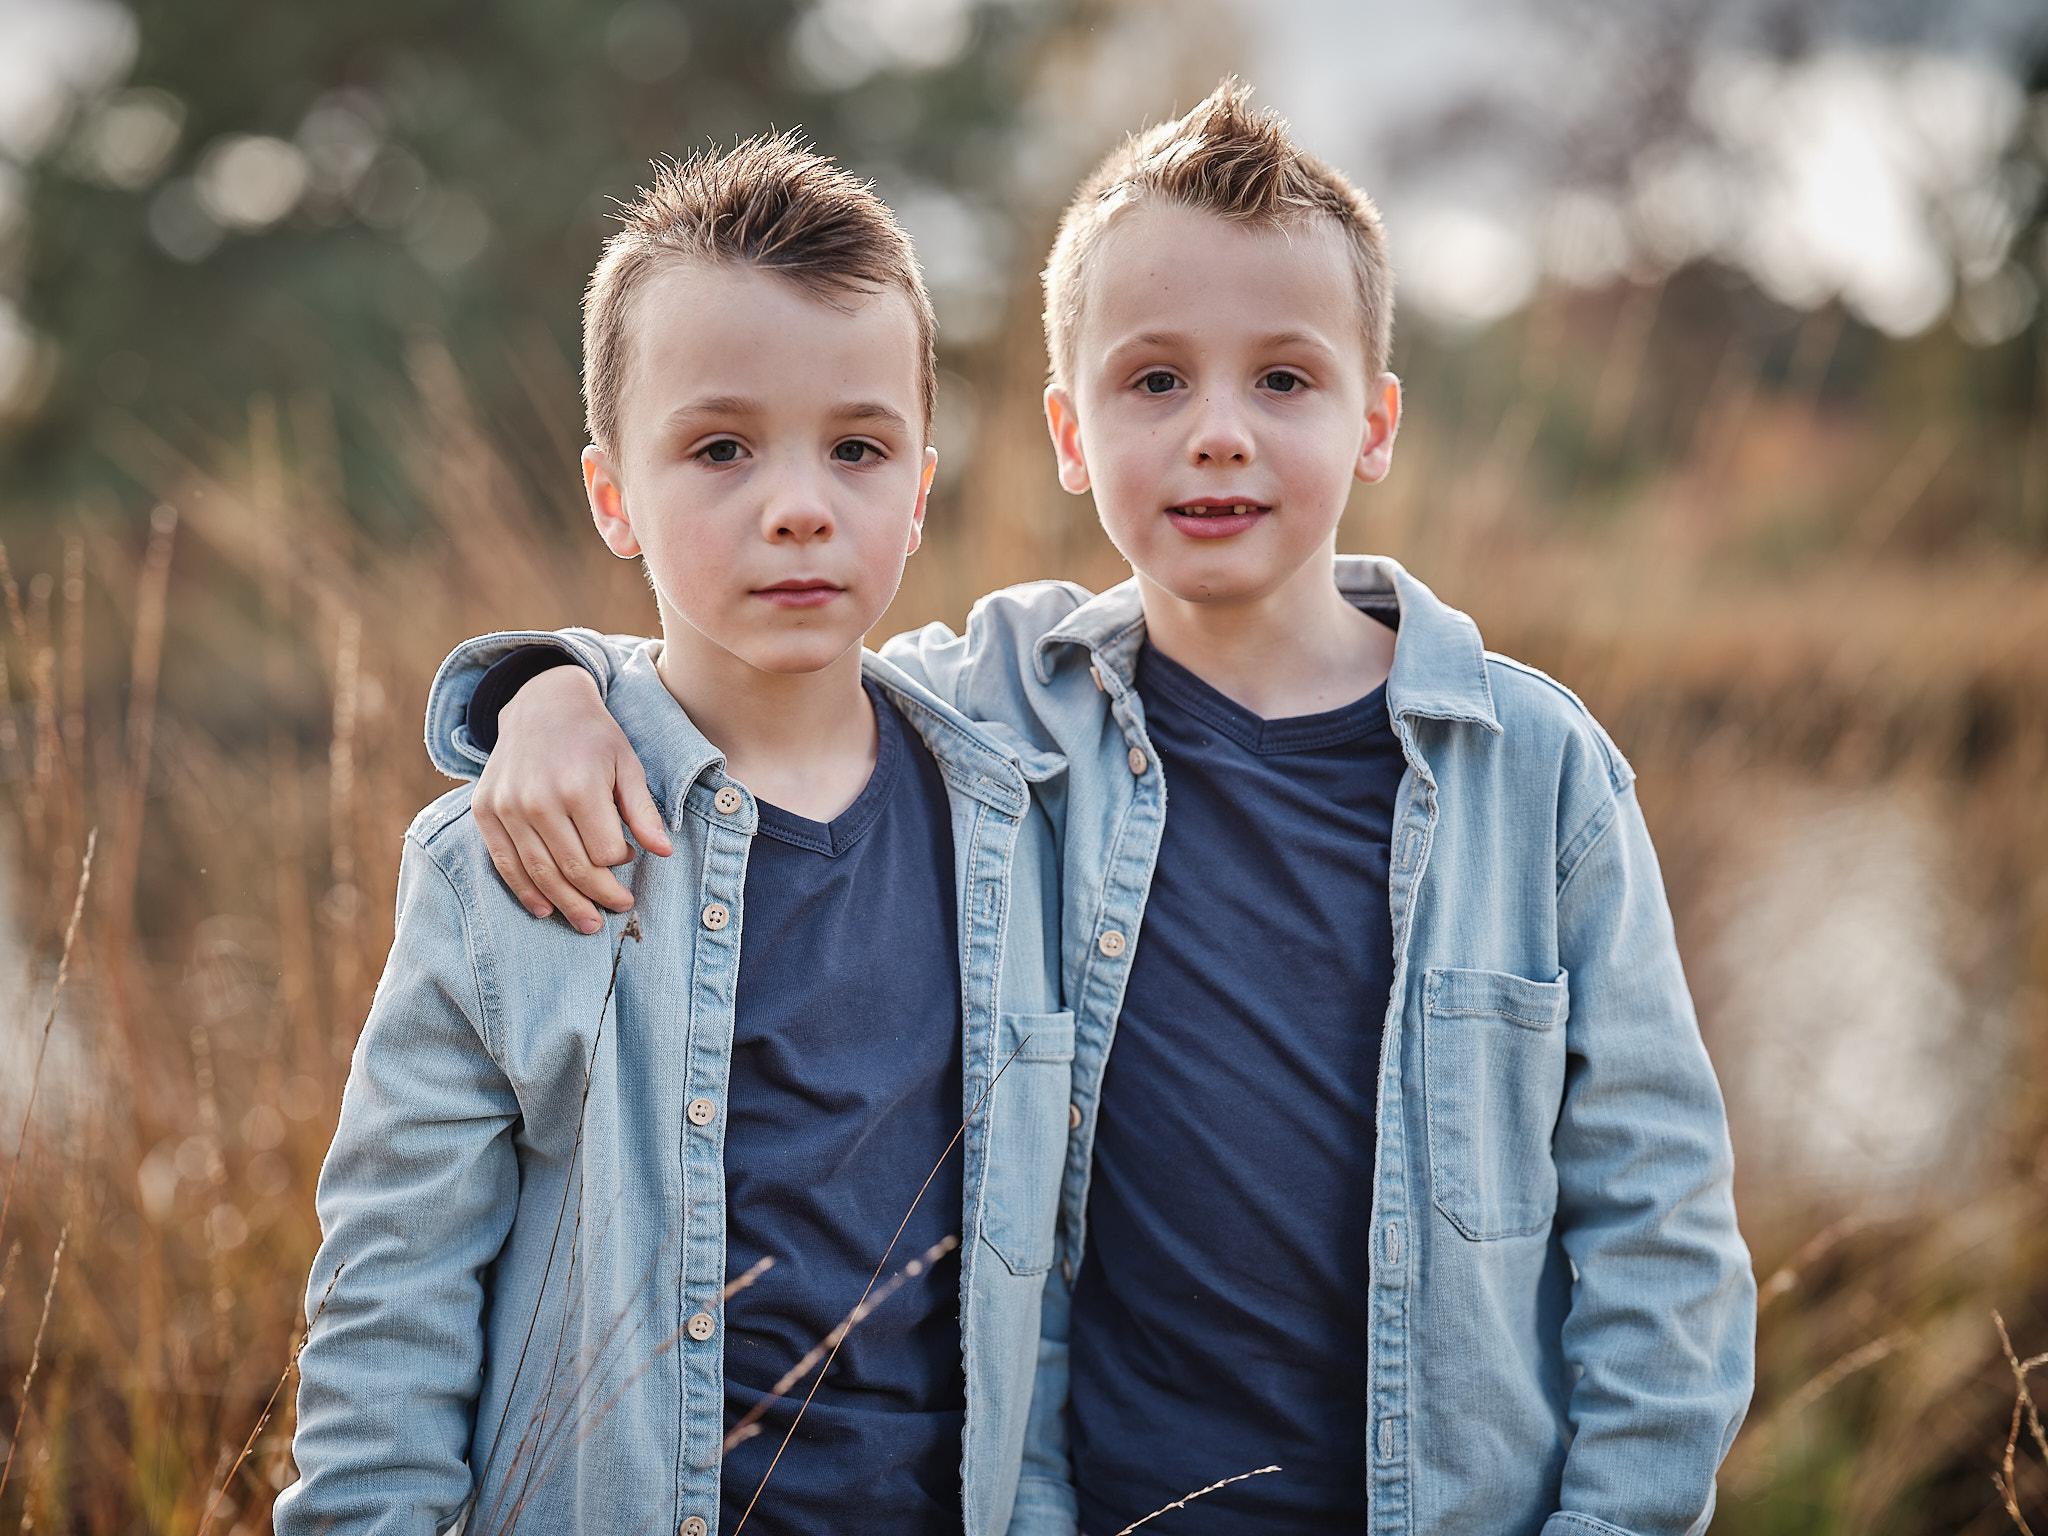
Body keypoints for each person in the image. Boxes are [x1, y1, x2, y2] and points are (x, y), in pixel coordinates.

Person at [426, 82, 1756, 1535]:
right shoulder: (1000, 708)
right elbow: (745, 675)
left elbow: (1661, 1227)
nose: (1219, 435)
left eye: (1286, 381)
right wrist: (549, 689)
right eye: (1155, 381)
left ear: (1376, 422)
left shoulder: (1538, 773)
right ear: (1068, 430)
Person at [277, 134, 1071, 1536]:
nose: (800, 504)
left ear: (921, 485)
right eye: (719, 448)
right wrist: (545, 694)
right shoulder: (511, 854)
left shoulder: (1014, 808)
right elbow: (391, 1296)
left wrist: (536, 678)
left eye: (859, 448)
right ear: (612, 499)